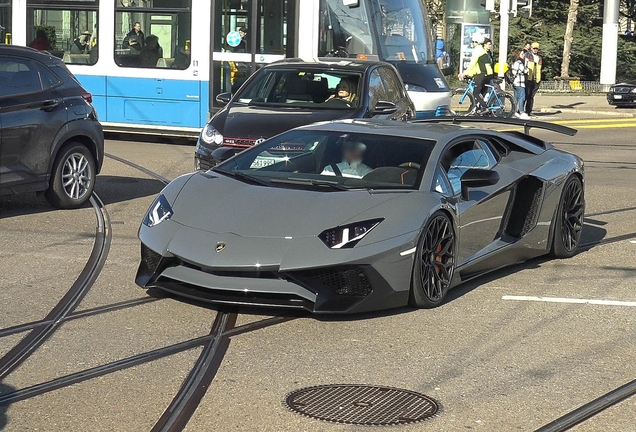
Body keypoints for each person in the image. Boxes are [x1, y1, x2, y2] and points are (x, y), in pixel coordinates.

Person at [458, 35, 494, 112]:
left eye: (473, 42)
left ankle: (485, 107)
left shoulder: (478, 50)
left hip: (482, 74)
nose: (472, 44)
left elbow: (472, 64)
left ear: (476, 42)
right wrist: (470, 74)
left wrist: (464, 73)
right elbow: (477, 66)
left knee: (476, 93)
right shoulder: (484, 51)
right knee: (481, 94)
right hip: (488, 74)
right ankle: (478, 110)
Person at [510, 49, 530, 119]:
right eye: (522, 54)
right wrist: (527, 63)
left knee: (516, 98)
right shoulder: (519, 63)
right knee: (522, 97)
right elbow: (526, 70)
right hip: (520, 83)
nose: (523, 55)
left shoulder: (515, 62)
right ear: (518, 55)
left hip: (515, 83)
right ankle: (521, 112)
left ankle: (514, 112)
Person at [525, 42, 543, 115]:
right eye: (534, 48)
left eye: (537, 49)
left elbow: (539, 69)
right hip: (528, 78)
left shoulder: (539, 58)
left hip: (536, 79)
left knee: (531, 96)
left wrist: (539, 79)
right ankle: (521, 110)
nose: (535, 50)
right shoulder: (527, 55)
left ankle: (528, 111)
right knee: (526, 94)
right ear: (531, 48)